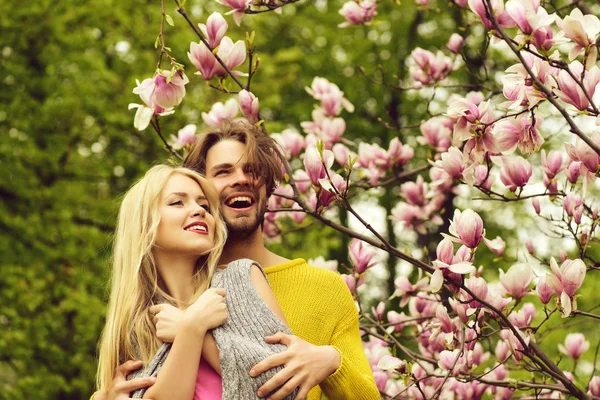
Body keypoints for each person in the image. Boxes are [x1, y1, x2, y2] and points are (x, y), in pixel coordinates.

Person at [96, 119, 379, 400]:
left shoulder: (323, 288)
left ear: (267, 188)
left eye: (253, 171)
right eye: (223, 172)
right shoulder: (156, 299)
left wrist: (332, 361)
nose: (241, 178)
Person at [95, 164, 298, 400]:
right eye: (177, 202)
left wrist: (189, 329)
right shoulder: (138, 328)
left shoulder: (242, 279)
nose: (199, 211)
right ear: (144, 226)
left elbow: (286, 385)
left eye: (203, 205)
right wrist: (191, 331)